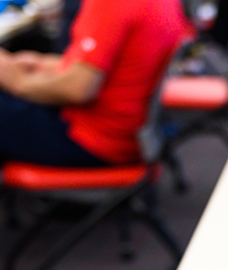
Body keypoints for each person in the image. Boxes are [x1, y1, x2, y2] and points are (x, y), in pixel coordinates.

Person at [0, 0, 191, 167]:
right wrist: (42, 64)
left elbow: (79, 90)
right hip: (130, 132)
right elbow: (112, 66)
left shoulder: (112, 3)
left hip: (94, 139)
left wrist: (18, 82)